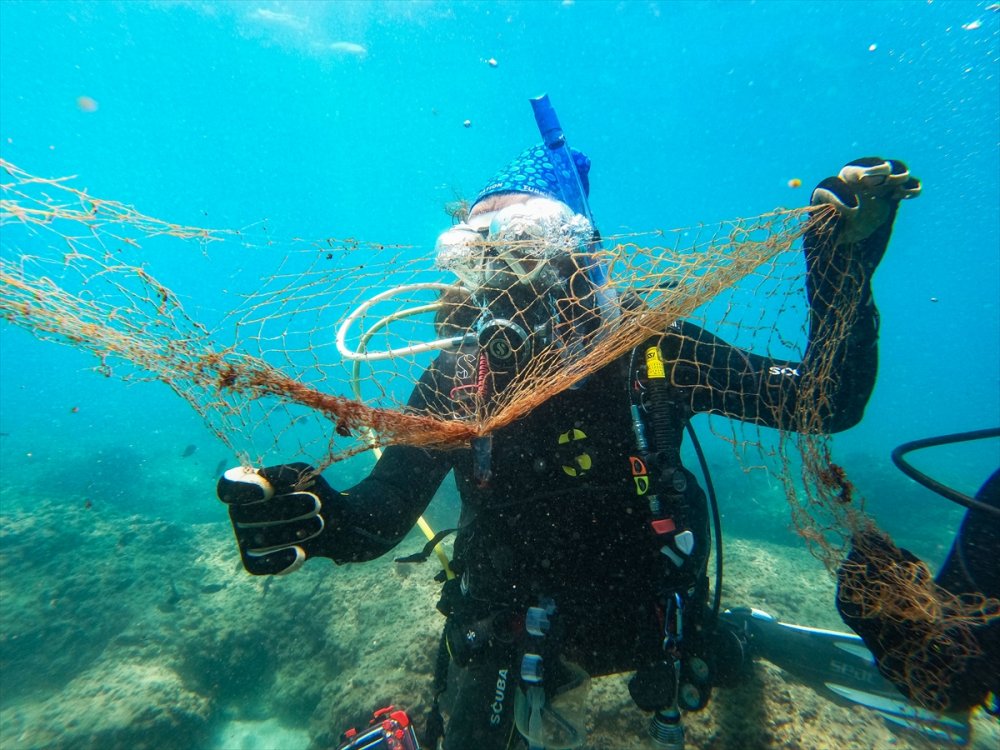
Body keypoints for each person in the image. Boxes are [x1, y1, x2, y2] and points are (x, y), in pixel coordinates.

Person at [217, 105, 921, 748]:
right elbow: (383, 511)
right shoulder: (460, 379)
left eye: (525, 240)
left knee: (709, 661)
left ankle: (740, 636)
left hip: (655, 612)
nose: (500, 270)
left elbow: (824, 403)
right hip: (512, 623)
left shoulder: (655, 348)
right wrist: (323, 520)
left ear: (579, 252)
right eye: (475, 249)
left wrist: (840, 269)